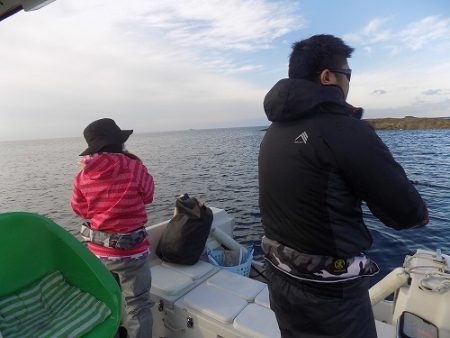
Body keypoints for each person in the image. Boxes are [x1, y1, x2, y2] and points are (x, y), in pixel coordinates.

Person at [258, 34, 429, 338]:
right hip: (332, 299)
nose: (349, 83)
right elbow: (407, 213)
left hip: (281, 281)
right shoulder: (344, 129)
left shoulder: (275, 129)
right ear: (327, 77)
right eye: (347, 74)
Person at [71, 118, 154, 338]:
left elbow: (80, 210)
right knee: (138, 305)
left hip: (99, 254)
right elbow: (148, 195)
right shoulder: (134, 167)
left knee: (107, 302)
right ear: (119, 143)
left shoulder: (83, 175)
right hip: (132, 254)